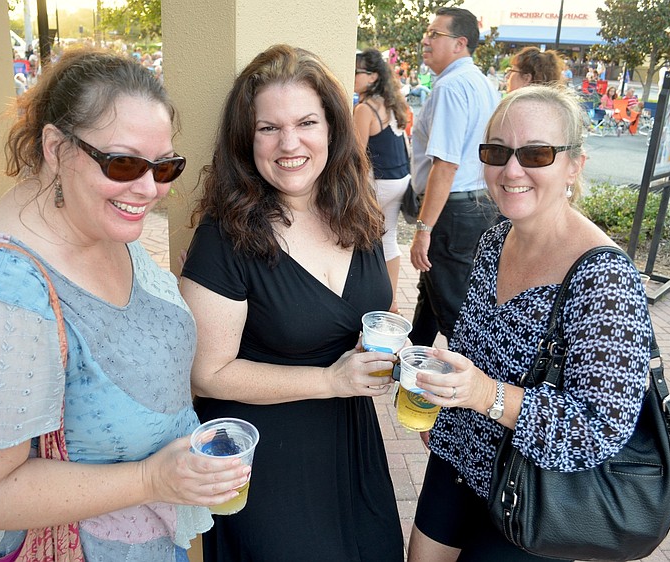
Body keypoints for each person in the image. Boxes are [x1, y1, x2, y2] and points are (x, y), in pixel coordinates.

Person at [0, 48, 249, 562]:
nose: (148, 188)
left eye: (164, 167)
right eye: (123, 163)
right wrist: (150, 478)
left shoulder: (94, 218)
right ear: (55, 147)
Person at [407, 84, 653, 560]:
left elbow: (599, 427)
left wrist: (484, 395)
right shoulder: (495, 239)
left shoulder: (604, 276)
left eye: (536, 153)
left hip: (536, 493)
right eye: (497, 151)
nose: (511, 169)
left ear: (574, 166)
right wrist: (443, 405)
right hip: (457, 461)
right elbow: (472, 349)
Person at [180, 44, 404, 561]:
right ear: (246, 138)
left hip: (349, 439)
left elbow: (373, 310)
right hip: (270, 455)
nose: (289, 144)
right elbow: (206, 373)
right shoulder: (225, 235)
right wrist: (329, 380)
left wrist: (392, 353)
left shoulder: (356, 207)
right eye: (268, 128)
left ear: (332, 128)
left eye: (306, 122)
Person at [409, 7, 500, 346]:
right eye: (427, 33)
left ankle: (468, 390)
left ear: (460, 43)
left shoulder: (451, 87)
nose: (425, 40)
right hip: (475, 206)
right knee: (434, 292)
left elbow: (445, 166)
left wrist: (423, 229)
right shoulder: (481, 83)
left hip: (452, 212)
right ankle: (412, 364)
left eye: (435, 34)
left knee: (453, 310)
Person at [354, 48, 412, 313]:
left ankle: (368, 299)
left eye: (358, 72)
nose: (353, 75)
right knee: (388, 240)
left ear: (373, 76)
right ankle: (391, 303)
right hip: (401, 180)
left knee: (360, 239)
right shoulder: (391, 102)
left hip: (380, 184)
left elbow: (356, 156)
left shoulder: (364, 108)